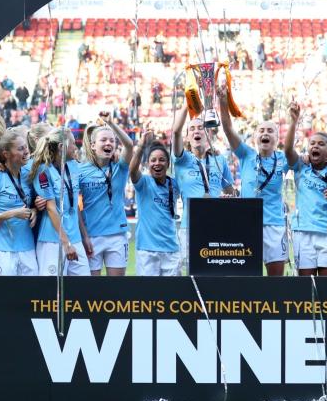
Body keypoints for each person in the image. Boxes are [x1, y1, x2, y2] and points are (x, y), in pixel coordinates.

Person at [218, 84, 290, 276]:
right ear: (255, 136)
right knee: (247, 277)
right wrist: (223, 101)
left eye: (270, 131)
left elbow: (309, 163)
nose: (265, 133)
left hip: (274, 224)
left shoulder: (283, 158)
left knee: (276, 279)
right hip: (247, 223)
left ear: (277, 138)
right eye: (261, 130)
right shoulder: (246, 155)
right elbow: (227, 128)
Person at [171, 105, 235, 273]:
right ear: (187, 136)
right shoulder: (181, 159)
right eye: (191, 129)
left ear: (208, 134)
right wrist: (189, 104)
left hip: (216, 225)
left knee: (214, 273)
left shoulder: (220, 160)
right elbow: (176, 132)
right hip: (190, 226)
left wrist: (228, 199)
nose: (196, 131)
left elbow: (232, 193)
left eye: (200, 128)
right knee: (192, 275)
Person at [284, 101, 327, 276]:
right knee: (306, 284)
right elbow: (287, 150)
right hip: (303, 231)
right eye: (312, 143)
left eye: (321, 144)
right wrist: (293, 122)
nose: (315, 146)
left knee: (326, 283)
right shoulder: (301, 167)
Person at [79, 112, 134, 276]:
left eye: (112, 140)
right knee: (92, 293)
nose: (108, 143)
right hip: (91, 236)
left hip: (117, 235)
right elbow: (74, 205)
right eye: (103, 140)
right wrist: (84, 236)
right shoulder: (80, 170)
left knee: (115, 291)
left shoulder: (120, 166)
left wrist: (112, 123)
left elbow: (130, 145)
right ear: (93, 145)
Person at [31, 127, 91, 276]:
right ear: (61, 147)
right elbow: (51, 209)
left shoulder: (73, 165)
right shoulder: (43, 170)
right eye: (72, 143)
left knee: (85, 290)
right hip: (52, 241)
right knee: (51, 295)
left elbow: (74, 204)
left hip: (75, 239)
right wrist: (66, 243)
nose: (75, 147)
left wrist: (84, 236)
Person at [0, 129, 38, 276]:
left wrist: (35, 211)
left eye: (25, 147)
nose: (26, 151)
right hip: (2, 248)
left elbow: (33, 202)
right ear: (6, 154)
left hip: (27, 246)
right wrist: (12, 213)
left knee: (31, 295)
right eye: (20, 148)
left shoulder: (28, 173)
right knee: (5, 296)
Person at [130, 132, 181, 276]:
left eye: (161, 160)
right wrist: (141, 146)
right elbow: (132, 170)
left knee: (173, 296)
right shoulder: (143, 183)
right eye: (153, 160)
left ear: (168, 163)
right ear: (147, 164)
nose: (157, 163)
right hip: (147, 250)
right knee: (148, 296)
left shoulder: (175, 184)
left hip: (171, 249)